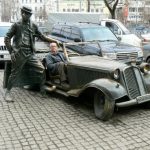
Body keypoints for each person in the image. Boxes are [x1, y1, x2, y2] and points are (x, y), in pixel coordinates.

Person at [4, 6, 59, 102]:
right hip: (19, 53)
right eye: (26, 14)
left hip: (30, 53)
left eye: (29, 14)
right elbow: (7, 38)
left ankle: (42, 91)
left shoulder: (33, 25)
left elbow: (42, 36)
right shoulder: (16, 25)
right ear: (22, 13)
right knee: (14, 74)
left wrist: (54, 40)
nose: (28, 16)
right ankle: (8, 92)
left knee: (41, 69)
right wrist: (11, 52)